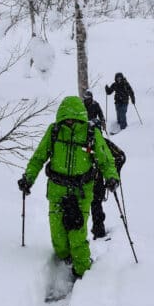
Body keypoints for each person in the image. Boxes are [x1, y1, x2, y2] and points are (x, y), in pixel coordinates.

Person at [18, 96, 119, 280]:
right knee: (58, 238)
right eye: (67, 119)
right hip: (56, 191)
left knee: (77, 238)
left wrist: (112, 177)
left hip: (81, 193)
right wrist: (28, 178)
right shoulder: (55, 131)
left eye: (74, 119)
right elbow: (39, 157)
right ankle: (65, 259)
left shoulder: (90, 133)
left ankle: (83, 272)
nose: (70, 122)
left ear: (81, 117)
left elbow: (105, 159)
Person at [91, 137, 126, 239]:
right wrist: (113, 176)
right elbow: (120, 156)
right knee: (96, 206)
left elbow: (120, 157)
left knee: (92, 206)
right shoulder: (102, 141)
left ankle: (96, 234)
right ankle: (98, 233)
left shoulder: (99, 140)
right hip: (97, 182)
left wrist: (111, 176)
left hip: (91, 182)